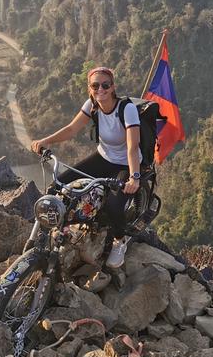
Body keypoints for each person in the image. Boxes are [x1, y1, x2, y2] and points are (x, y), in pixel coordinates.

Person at [30, 66, 141, 268]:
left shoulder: (127, 109)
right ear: (90, 88)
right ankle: (42, 234)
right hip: (102, 157)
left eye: (105, 85)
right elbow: (72, 129)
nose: (101, 89)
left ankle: (119, 241)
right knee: (57, 186)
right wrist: (46, 141)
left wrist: (134, 177)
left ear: (113, 86)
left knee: (114, 206)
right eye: (95, 85)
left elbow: (133, 147)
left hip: (125, 162)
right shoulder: (92, 105)